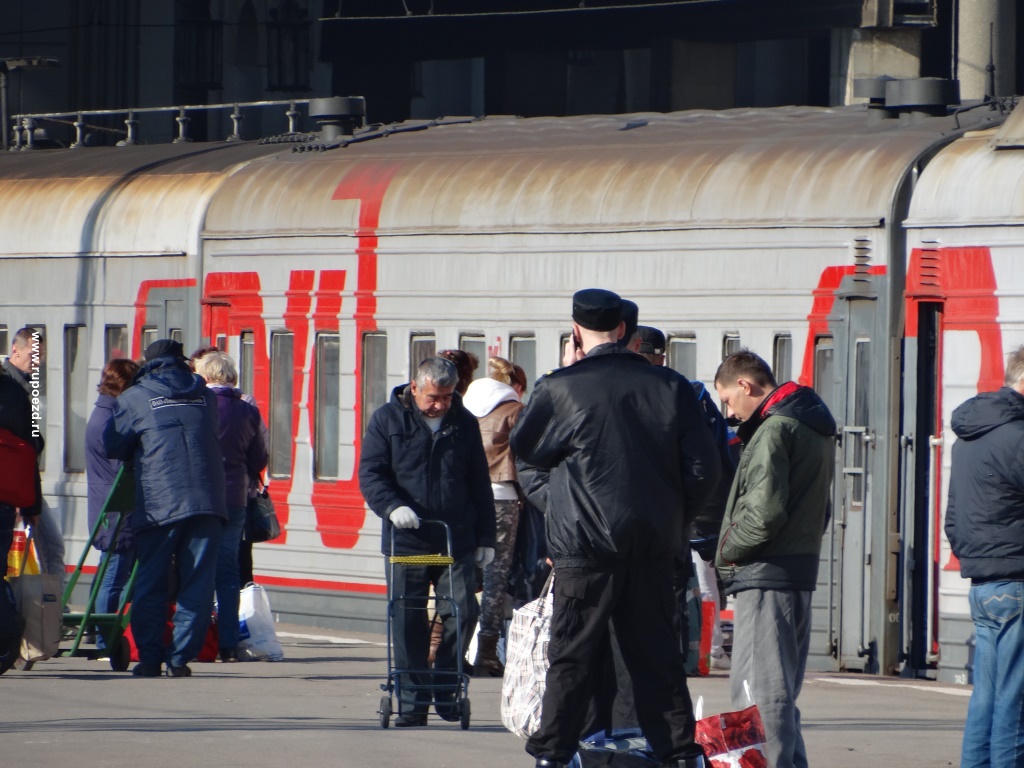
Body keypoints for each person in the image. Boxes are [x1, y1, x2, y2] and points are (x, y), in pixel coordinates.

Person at [510, 288, 721, 768]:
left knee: (571, 656)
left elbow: (528, 454)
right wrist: (673, 520)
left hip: (583, 551)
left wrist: (561, 509)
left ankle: (552, 756)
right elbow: (706, 470)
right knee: (658, 660)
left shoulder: (560, 388)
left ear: (576, 331)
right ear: (624, 330)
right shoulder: (671, 388)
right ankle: (679, 755)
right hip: (651, 548)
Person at [713, 349, 836, 768]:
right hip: (795, 570)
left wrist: (726, 553)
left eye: (728, 399)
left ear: (745, 386)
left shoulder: (773, 430)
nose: (729, 412)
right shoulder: (810, 424)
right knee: (779, 692)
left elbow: (763, 513)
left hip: (765, 574)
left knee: (757, 694)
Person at [358, 356, 496, 726]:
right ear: (415, 388)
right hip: (408, 542)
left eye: (448, 397)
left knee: (464, 611)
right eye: (434, 397)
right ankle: (413, 702)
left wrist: (486, 538)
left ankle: (447, 686)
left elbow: (479, 484)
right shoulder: (387, 421)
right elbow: (371, 474)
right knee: (408, 618)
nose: (441, 404)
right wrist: (391, 507)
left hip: (455, 540)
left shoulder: (463, 424)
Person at [104, 339, 227, 678]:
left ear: (148, 363)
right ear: (182, 362)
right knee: (199, 583)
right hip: (208, 498)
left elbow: (112, 443)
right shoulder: (206, 395)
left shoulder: (134, 397)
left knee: (151, 581)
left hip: (160, 502)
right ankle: (179, 659)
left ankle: (149, 658)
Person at [944, 346, 1024, 768]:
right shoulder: (1018, 437)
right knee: (1015, 701)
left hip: (984, 586)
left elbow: (953, 518)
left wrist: (975, 558)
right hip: (1017, 580)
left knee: (987, 697)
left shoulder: (967, 437)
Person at [193, 351, 268, 663]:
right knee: (228, 572)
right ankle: (227, 644)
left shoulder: (197, 407)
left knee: (197, 568)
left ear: (206, 376)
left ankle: (196, 641)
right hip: (235, 498)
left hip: (201, 498)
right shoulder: (247, 411)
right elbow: (259, 458)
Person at [462, 356, 526, 676]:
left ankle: (448, 644)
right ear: (515, 387)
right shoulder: (514, 412)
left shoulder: (463, 408)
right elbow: (526, 462)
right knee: (495, 577)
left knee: (461, 570)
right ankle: (487, 651)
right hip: (502, 499)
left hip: (466, 500)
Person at [85, 358, 141, 647]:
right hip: (117, 509)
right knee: (115, 576)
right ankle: (106, 641)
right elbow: (124, 462)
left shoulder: (101, 413)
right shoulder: (113, 421)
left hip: (106, 505)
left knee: (109, 569)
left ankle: (97, 631)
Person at [2, 327, 65, 583]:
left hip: (24, 484)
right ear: (15, 349)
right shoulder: (11, 387)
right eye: (34, 354)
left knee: (52, 546)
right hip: (14, 485)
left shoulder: (26, 385)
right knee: (50, 545)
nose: (37, 362)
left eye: (42, 356)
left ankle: (53, 608)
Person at [0, 371, 39, 674]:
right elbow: (33, 444)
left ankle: (8, 635)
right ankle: (7, 636)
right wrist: (32, 503)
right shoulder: (15, 392)